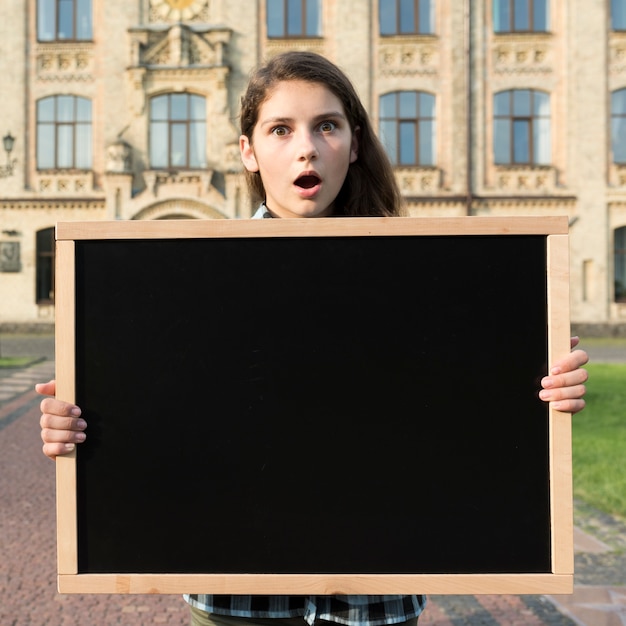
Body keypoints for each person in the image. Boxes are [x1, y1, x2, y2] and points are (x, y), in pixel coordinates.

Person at [37, 51, 590, 626]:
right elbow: (162, 414)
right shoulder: (186, 291)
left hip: (378, 592)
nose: (307, 147)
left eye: (327, 126)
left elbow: (462, 410)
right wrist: (82, 423)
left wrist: (540, 383)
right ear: (248, 151)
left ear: (354, 144)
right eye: (281, 129)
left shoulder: (428, 286)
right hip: (237, 593)